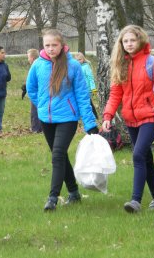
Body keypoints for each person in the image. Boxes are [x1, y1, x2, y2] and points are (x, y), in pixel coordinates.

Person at [101, 25, 154, 213]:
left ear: (140, 41)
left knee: (138, 155)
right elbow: (115, 94)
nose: (129, 44)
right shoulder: (120, 64)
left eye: (133, 40)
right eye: (126, 41)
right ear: (121, 44)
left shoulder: (152, 62)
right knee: (146, 158)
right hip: (131, 119)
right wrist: (108, 116)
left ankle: (135, 201)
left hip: (151, 116)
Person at [26, 29, 98, 211]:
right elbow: (31, 88)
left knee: (57, 154)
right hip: (46, 119)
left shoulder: (73, 66)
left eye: (54, 45)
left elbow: (82, 95)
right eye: (47, 45)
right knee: (61, 155)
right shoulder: (37, 65)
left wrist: (90, 124)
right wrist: (42, 105)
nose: (50, 49)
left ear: (62, 45)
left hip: (68, 118)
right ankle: (73, 192)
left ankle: (52, 198)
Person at [75, 52, 98, 119]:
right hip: (79, 89)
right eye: (77, 60)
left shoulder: (86, 67)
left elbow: (90, 78)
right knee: (81, 102)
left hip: (87, 89)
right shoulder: (76, 68)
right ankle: (81, 116)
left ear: (83, 59)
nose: (78, 61)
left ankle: (93, 116)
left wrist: (93, 89)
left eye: (80, 59)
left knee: (88, 103)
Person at [25, 48, 42, 133]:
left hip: (36, 92)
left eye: (28, 57)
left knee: (35, 111)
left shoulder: (35, 65)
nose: (28, 59)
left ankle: (36, 129)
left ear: (32, 57)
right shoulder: (40, 63)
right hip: (39, 91)